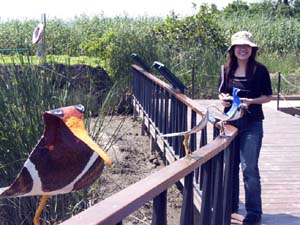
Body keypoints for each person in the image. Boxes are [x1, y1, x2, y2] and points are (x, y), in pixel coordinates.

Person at [218, 31, 273, 225]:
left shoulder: (260, 70)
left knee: (249, 168)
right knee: (230, 167)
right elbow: (221, 93)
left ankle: (254, 212)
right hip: (230, 123)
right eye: (239, 46)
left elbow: (268, 96)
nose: (243, 49)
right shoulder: (225, 70)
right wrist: (224, 101)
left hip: (252, 124)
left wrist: (251, 101)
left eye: (247, 46)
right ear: (233, 50)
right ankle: (230, 206)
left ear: (252, 50)